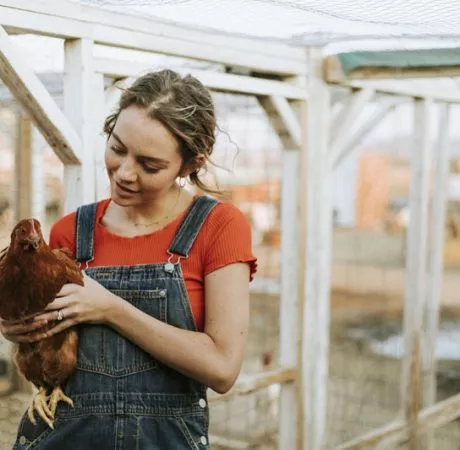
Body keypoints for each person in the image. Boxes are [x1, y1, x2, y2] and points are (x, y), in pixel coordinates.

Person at [1, 69, 257, 449]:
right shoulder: (71, 232)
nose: (123, 173)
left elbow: (222, 368)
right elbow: (51, 361)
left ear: (190, 165)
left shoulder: (218, 227)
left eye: (149, 165)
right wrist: (22, 331)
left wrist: (110, 309)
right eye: (117, 148)